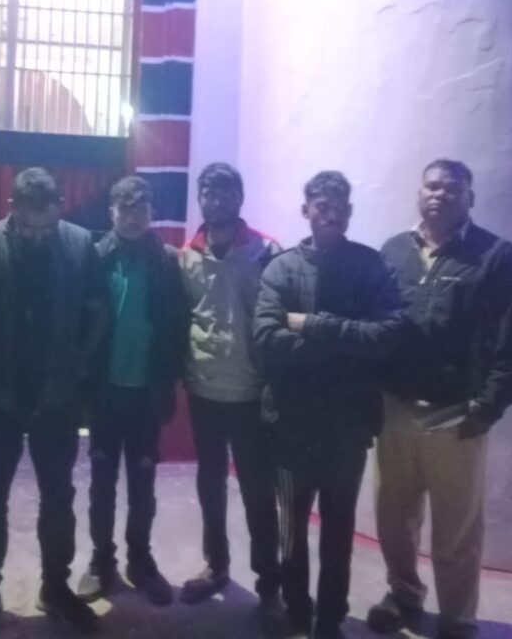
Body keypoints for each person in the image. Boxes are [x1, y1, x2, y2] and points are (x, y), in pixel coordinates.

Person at [369, 159, 512, 639]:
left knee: (456, 531)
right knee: (393, 518)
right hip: (394, 410)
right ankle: (404, 594)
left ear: (470, 198)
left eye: (452, 189)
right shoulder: (393, 251)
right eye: (432, 186)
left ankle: (458, 618)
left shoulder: (496, 257)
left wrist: (486, 408)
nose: (440, 195)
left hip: (458, 416)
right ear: (419, 192)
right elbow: (374, 326)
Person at [254, 171, 404, 639]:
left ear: (350, 212)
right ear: (307, 210)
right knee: (291, 533)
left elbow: (387, 337)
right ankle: (297, 612)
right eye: (322, 205)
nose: (331, 213)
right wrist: (346, 342)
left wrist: (313, 326)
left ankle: (330, 621)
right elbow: (266, 339)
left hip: (348, 427)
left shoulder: (370, 267)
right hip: (290, 425)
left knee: (339, 532)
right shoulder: (281, 269)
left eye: (340, 206)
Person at [0, 167, 106, 637]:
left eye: (47, 227)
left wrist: (77, 368)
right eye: (28, 227)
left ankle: (55, 587)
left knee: (59, 497)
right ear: (13, 211)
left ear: (60, 208)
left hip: (56, 396)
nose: (39, 236)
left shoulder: (79, 244)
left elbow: (97, 313)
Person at [179, 162, 285, 632]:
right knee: (210, 483)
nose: (216, 199)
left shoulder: (266, 251)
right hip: (204, 388)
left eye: (225, 191)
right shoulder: (187, 256)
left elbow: (280, 320)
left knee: (258, 491)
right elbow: (185, 316)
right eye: (208, 191)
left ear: (240, 197)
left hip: (250, 391)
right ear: (199, 197)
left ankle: (270, 586)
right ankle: (216, 564)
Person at [76, 176, 190, 606]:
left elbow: (178, 325)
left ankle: (140, 561)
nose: (132, 218)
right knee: (102, 484)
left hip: (147, 393)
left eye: (140, 209)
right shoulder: (94, 256)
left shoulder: (167, 260)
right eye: (124, 210)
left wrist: (170, 380)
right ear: (112, 213)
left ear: (151, 213)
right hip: (105, 392)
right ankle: (101, 562)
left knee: (143, 486)